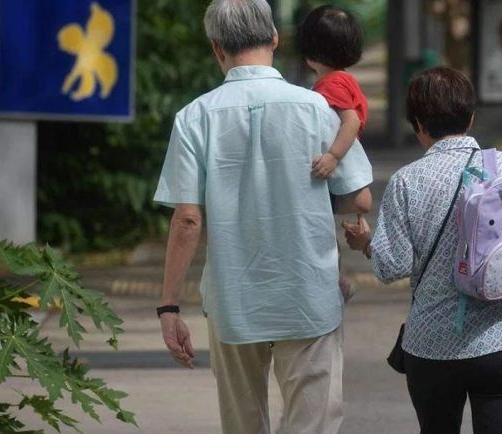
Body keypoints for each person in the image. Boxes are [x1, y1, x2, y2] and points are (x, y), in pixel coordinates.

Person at [152, 1, 373, 433]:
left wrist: (168, 306)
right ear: (274, 37)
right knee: (313, 423)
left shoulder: (194, 117)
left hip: (233, 299)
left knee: (242, 423)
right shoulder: (316, 108)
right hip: (309, 294)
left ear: (217, 49)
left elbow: (188, 220)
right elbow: (360, 199)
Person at [342, 66, 502, 434]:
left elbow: (391, 266)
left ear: (418, 124)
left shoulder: (406, 182)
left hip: (433, 348)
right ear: (470, 117)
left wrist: (366, 246)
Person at [298, 4, 369, 301]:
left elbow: (350, 120)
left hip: (341, 161)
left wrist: (332, 156)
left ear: (311, 51)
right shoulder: (344, 79)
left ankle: (335, 280)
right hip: (349, 160)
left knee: (322, 229)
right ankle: (335, 278)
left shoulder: (330, 84)